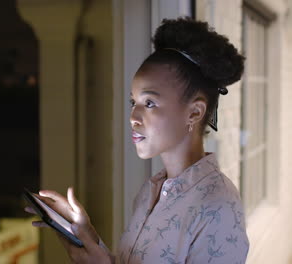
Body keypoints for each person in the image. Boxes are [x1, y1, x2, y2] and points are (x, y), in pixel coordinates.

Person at [25, 17, 249, 264]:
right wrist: (85, 233)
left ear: (194, 112)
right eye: (134, 102)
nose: (133, 117)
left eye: (149, 103)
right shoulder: (150, 191)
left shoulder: (218, 206)